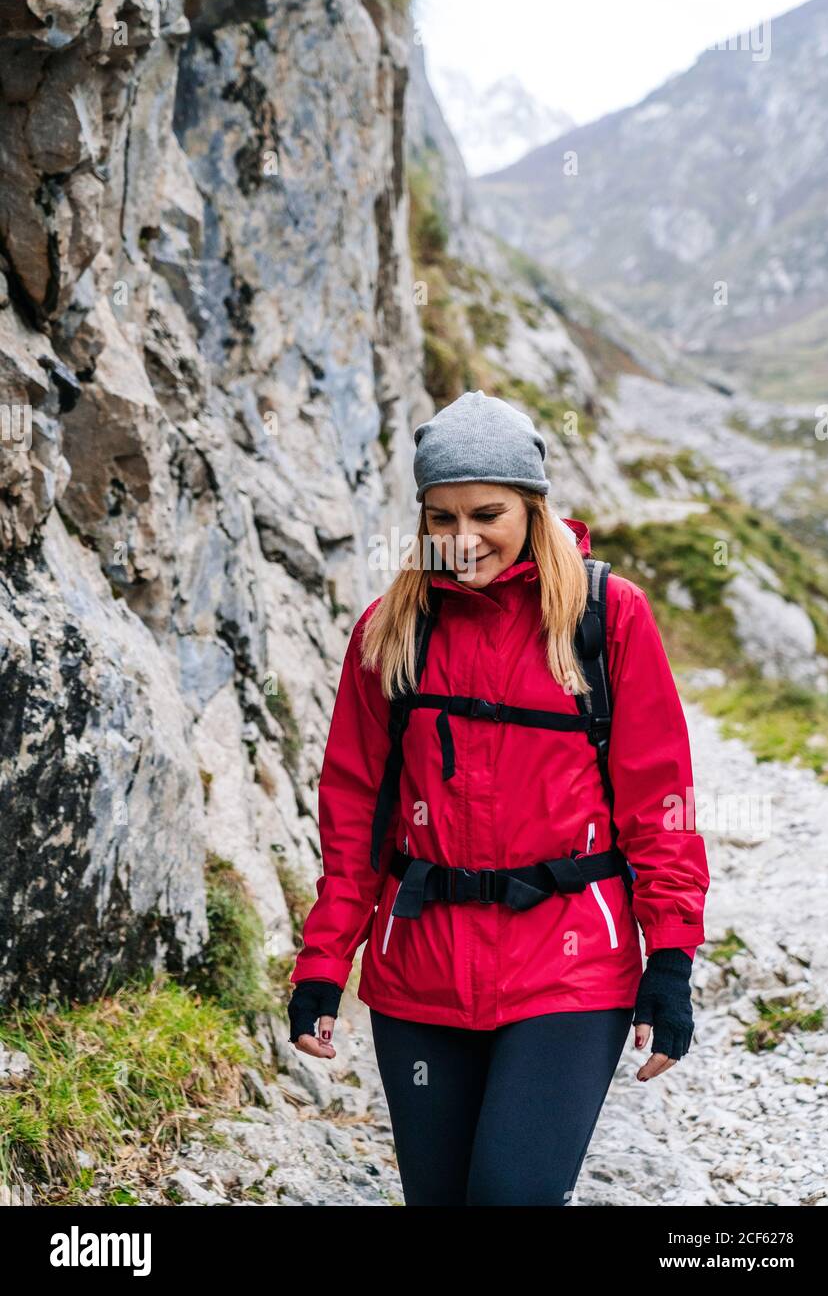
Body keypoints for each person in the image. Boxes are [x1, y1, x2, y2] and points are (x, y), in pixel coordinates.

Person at [287, 390, 710, 1206]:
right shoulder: (390, 631)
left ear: (533, 505)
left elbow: (662, 804)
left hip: (571, 966)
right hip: (421, 971)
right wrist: (323, 963)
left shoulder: (606, 616)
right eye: (439, 518)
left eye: (487, 512)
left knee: (512, 1194)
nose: (461, 539)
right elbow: (354, 816)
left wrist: (671, 961)